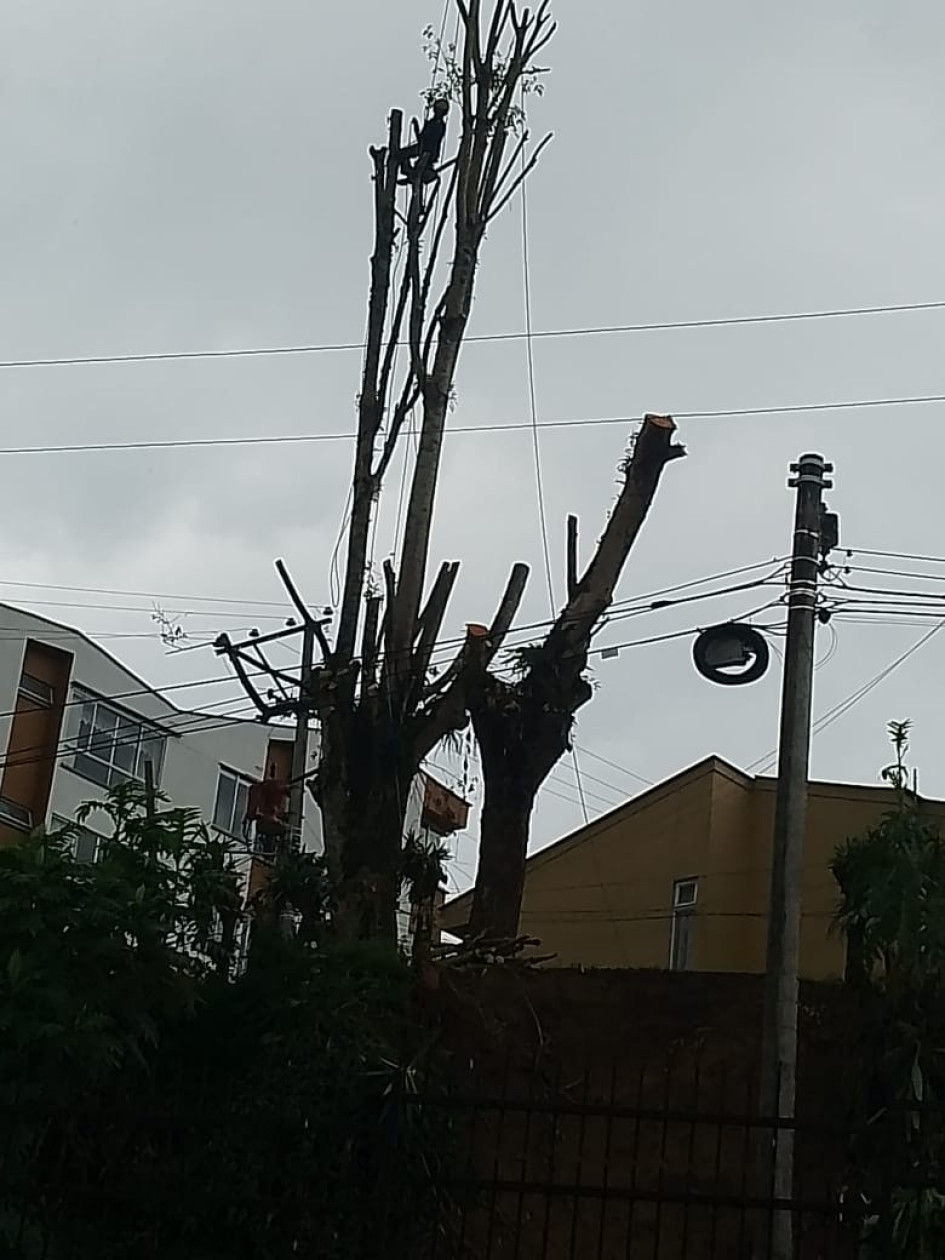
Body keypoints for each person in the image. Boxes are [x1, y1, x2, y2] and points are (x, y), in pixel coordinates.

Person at [399, 98, 449, 183]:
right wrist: (416, 127)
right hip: (423, 147)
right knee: (402, 154)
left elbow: (431, 139)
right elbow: (421, 137)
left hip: (429, 151)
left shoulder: (440, 125)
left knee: (403, 154)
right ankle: (409, 172)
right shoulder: (431, 123)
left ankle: (411, 173)